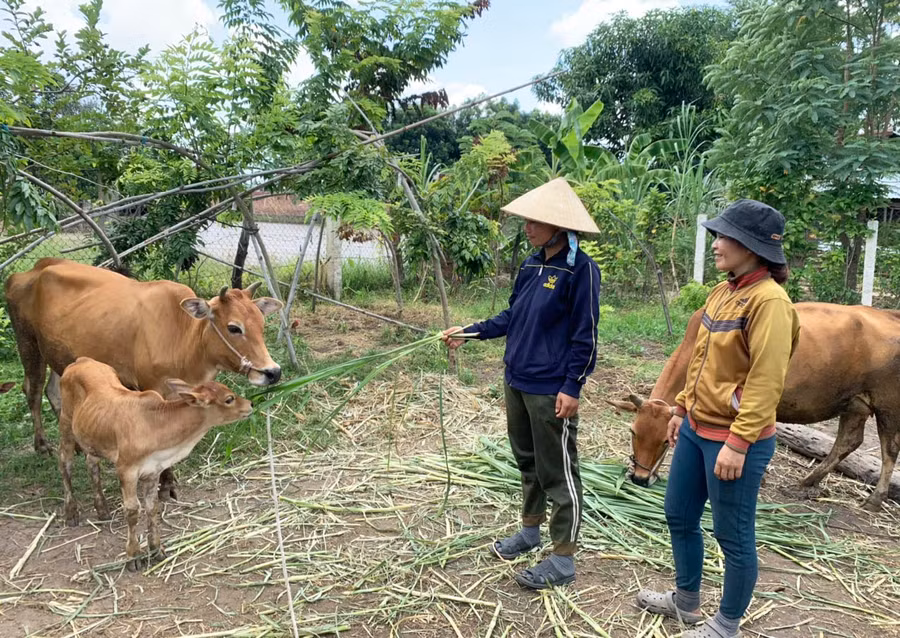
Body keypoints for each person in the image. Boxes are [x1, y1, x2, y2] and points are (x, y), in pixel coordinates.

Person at [636, 200, 801, 637]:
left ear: (752, 246)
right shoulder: (723, 292)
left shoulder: (770, 303)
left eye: (723, 236)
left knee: (733, 534)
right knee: (678, 514)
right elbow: (700, 362)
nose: (716, 244)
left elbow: (767, 382)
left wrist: (740, 442)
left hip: (732, 440)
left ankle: (726, 625)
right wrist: (682, 409)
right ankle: (686, 602)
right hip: (694, 430)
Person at [441, 177, 602, 589]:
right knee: (527, 461)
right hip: (517, 379)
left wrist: (573, 386)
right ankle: (530, 531)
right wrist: (471, 331)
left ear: (559, 226)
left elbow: (586, 334)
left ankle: (563, 559)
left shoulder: (580, 270)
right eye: (527, 220)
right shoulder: (532, 264)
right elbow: (512, 316)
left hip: (551, 388)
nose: (527, 227)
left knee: (559, 471)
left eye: (535, 220)